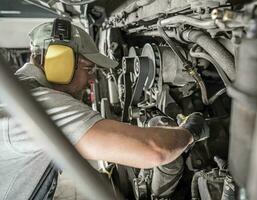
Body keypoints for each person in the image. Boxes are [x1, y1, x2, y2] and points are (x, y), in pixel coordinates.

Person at [0, 18, 209, 200]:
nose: (92, 79)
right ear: (59, 61)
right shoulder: (38, 105)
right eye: (89, 69)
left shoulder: (23, 93)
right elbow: (154, 150)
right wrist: (190, 130)